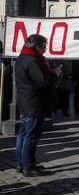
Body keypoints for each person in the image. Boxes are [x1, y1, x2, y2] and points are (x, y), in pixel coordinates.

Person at [15, 34, 58, 177]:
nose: (45, 50)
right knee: (31, 136)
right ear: (36, 47)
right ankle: (28, 166)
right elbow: (43, 82)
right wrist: (54, 74)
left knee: (23, 134)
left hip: (26, 102)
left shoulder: (22, 57)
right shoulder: (32, 61)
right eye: (43, 47)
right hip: (33, 103)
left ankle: (22, 163)